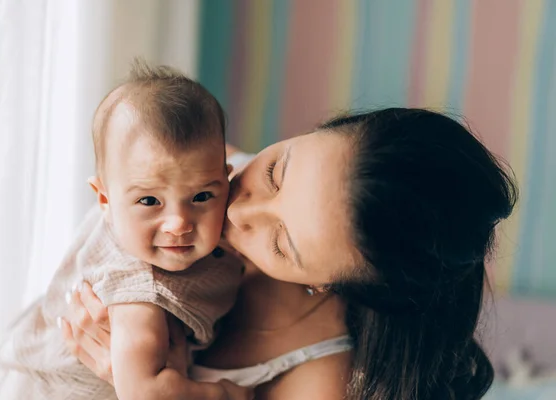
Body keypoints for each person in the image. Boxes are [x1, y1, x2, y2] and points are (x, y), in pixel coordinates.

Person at [61, 108, 518, 399]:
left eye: (281, 243)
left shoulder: (317, 380)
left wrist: (127, 381)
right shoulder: (203, 166)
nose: (239, 207)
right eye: (276, 172)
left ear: (328, 284)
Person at [0, 63, 247, 400]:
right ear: (105, 199)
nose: (178, 223)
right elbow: (145, 393)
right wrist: (224, 395)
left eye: (202, 196)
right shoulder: (139, 290)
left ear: (227, 181)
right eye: (149, 201)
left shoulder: (131, 199)